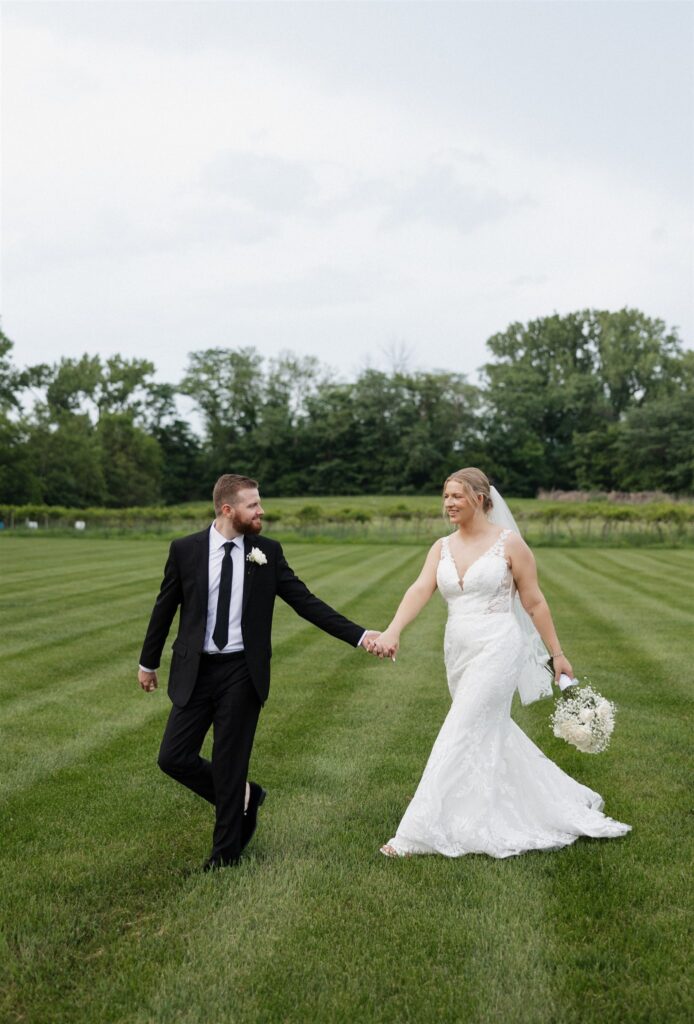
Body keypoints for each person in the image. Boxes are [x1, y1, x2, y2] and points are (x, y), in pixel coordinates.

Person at [370, 468, 631, 858]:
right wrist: (393, 630)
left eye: (456, 496)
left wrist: (557, 654)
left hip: (498, 646)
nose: (448, 504)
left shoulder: (510, 544)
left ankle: (414, 835)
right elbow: (420, 588)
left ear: (479, 497)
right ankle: (536, 801)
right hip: (457, 648)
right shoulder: (441, 547)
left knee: (460, 727)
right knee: (486, 729)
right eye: (445, 497)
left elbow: (534, 601)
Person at [138, 473, 382, 870]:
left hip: (241, 670)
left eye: (259, 502)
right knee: (173, 757)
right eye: (253, 505)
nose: (261, 510)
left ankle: (224, 856)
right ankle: (246, 797)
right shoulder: (186, 550)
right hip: (196, 669)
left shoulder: (267, 551)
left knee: (229, 760)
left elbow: (306, 602)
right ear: (227, 509)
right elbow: (164, 607)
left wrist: (360, 635)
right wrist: (148, 663)